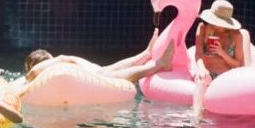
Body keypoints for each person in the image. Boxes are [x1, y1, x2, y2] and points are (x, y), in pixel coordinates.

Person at [22, 28, 174, 84]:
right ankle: (158, 65)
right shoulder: (46, 69)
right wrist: (60, 58)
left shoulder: (52, 68)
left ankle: (146, 54)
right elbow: (31, 75)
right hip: (92, 76)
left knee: (105, 70)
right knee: (104, 73)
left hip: (92, 73)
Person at [193, 0, 245, 84]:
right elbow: (198, 54)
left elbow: (237, 64)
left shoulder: (236, 35)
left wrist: (222, 53)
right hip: (205, 74)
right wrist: (201, 68)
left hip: (224, 78)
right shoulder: (203, 28)